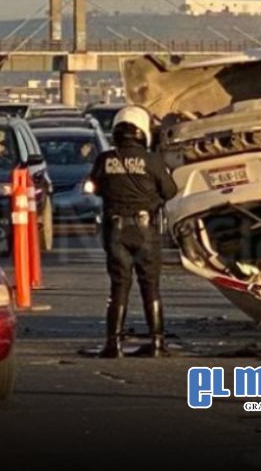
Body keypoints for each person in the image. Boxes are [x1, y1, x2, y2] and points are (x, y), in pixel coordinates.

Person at [89, 105, 178, 358]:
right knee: (151, 286)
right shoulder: (153, 161)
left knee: (119, 286)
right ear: (143, 132)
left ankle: (112, 343)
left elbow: (94, 188)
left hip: (115, 230)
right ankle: (158, 342)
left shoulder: (105, 160)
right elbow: (170, 191)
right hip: (145, 230)